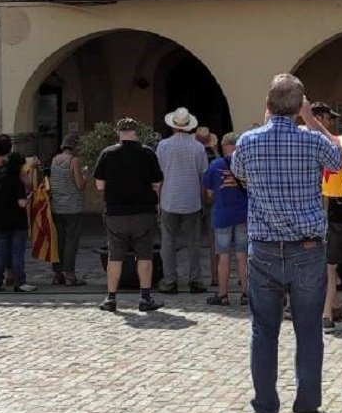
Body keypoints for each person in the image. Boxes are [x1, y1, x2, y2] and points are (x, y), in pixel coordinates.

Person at [233, 74, 342, 413]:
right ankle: (307, 411)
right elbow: (339, 158)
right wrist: (310, 119)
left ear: (267, 106)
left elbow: (239, 173)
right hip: (307, 248)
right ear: (300, 107)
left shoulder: (248, 142)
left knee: (263, 331)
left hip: (264, 247)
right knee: (308, 330)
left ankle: (265, 411)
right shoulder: (311, 140)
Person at [94, 117, 164, 313]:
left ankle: (111, 298)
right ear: (136, 132)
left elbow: (99, 185)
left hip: (116, 213)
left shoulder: (108, 153)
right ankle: (145, 297)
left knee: (115, 255)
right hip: (143, 211)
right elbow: (157, 182)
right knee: (145, 255)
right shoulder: (147, 153)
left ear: (118, 132)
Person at [156, 107, 209, 294]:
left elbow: (159, 176)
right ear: (188, 127)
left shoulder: (163, 146)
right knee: (193, 242)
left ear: (173, 126)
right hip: (191, 199)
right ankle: (195, 280)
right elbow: (203, 176)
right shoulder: (198, 147)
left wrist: (157, 201)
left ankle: (170, 280)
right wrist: (203, 201)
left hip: (169, 199)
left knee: (168, 241)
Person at [317, 103, 342, 333]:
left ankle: (327, 316)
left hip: (334, 215)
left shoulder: (331, 149)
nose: (332, 121)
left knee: (330, 269)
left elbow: (325, 189)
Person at [203, 131, 251, 306]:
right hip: (243, 214)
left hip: (222, 215)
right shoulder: (246, 164)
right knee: (242, 255)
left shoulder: (215, 165)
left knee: (223, 256)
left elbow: (209, 193)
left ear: (223, 147)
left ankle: (222, 294)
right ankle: (245, 293)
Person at [0, 135, 34, 293]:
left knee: (0, 252)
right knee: (17, 252)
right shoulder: (16, 180)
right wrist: (30, 197)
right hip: (16, 222)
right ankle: (20, 282)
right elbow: (21, 203)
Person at [49, 136, 89, 286]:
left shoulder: (54, 160)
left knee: (59, 241)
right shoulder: (74, 161)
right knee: (71, 241)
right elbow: (79, 185)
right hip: (72, 207)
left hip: (57, 206)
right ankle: (69, 275)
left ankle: (57, 273)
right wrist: (85, 175)